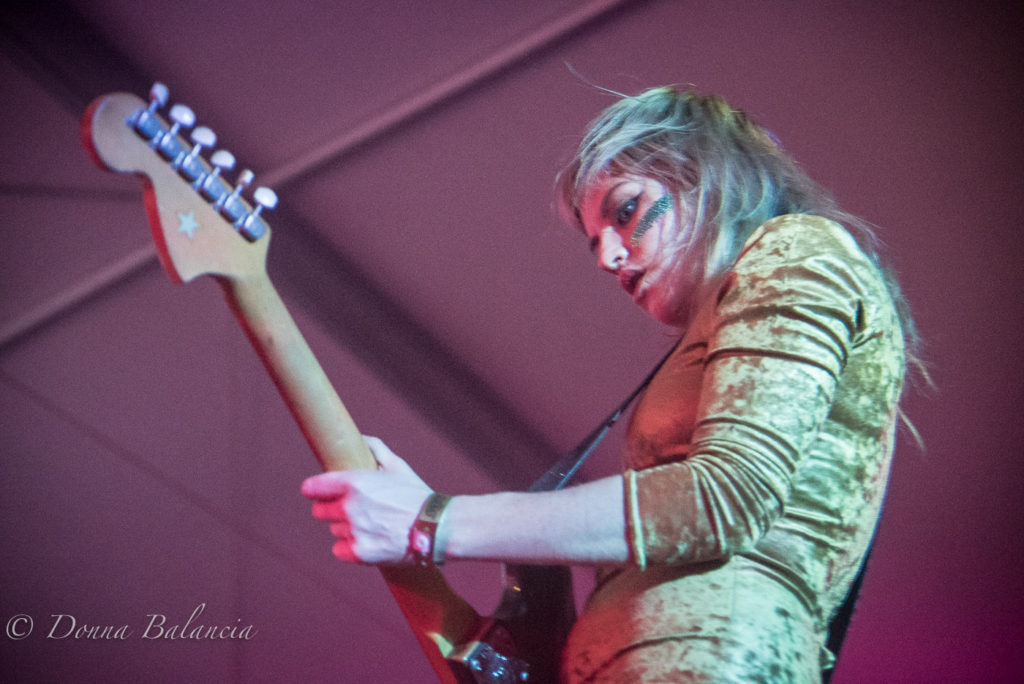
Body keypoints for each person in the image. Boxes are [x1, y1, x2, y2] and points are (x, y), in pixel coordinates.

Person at [301, 86, 912, 682]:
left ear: (705, 174)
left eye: (625, 212)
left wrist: (434, 522)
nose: (608, 258)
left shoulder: (797, 249)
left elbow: (727, 495)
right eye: (596, 241)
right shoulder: (732, 313)